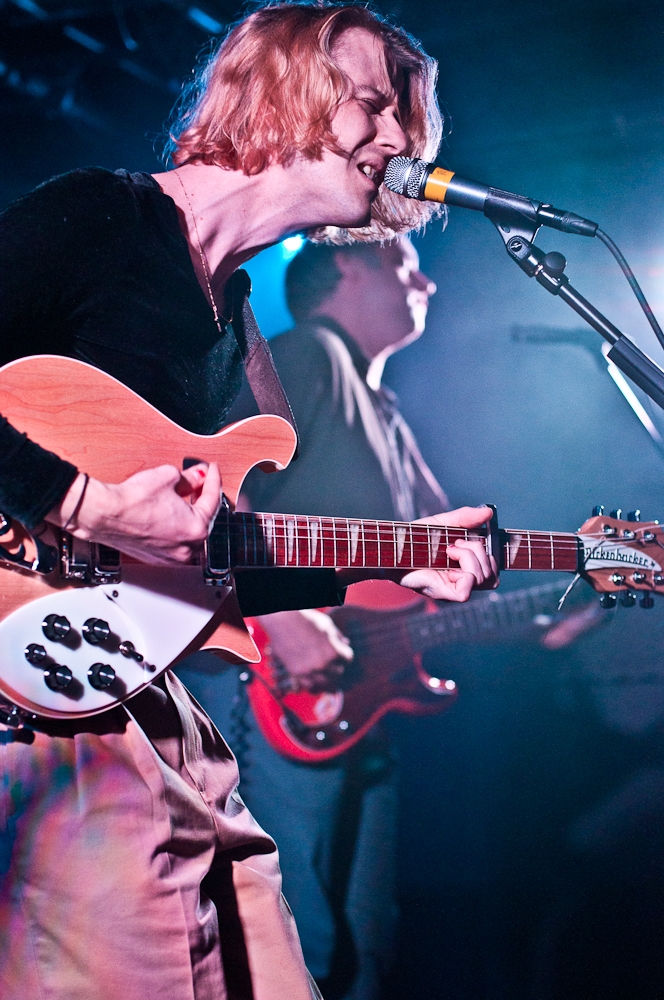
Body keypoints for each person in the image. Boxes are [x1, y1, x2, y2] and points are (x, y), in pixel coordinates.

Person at [0, 5, 496, 999]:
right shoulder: (97, 213)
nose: (398, 140)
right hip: (56, 722)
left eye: (406, 118)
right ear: (279, 93)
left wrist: (388, 556)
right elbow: (99, 513)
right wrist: (82, 498)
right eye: (371, 105)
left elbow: (198, 559)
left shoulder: (234, 321)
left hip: (148, 691)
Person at [177, 234, 448, 1000]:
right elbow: (205, 474)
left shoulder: (384, 407)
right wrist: (287, 620)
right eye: (403, 263)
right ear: (342, 270)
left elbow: (437, 568)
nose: (425, 280)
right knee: (302, 950)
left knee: (364, 949)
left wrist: (562, 597)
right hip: (264, 690)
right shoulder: (309, 356)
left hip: (359, 702)